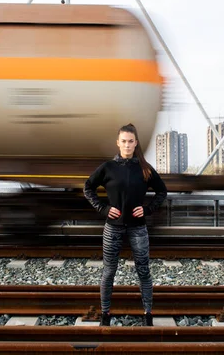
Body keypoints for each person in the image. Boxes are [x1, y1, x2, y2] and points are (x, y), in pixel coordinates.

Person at [83, 123, 167, 327]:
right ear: (118, 143)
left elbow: (162, 191)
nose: (127, 145)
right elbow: (88, 188)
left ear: (136, 143)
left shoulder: (144, 169)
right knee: (109, 271)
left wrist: (147, 210)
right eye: (124, 141)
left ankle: (148, 315)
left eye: (131, 141)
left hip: (138, 227)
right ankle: (105, 315)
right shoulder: (108, 167)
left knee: (143, 270)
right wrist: (103, 209)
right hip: (113, 227)